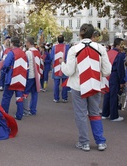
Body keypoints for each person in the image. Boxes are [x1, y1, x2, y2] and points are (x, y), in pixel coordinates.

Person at [60, 23, 111, 151]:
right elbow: (107, 71)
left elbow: (68, 71)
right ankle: (100, 142)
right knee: (95, 113)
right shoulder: (101, 48)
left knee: (81, 114)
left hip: (78, 86)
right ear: (93, 34)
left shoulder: (74, 49)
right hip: (94, 85)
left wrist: (62, 64)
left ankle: (84, 142)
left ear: (80, 34)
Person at [1, 36, 28, 120]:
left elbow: (6, 65)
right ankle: (19, 115)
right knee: (19, 97)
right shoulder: (23, 53)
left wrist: (4, 72)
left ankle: (4, 115)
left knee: (6, 97)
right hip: (21, 78)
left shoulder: (11, 53)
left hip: (11, 78)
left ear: (12, 43)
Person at [102, 38, 126, 121]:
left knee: (107, 94)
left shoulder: (108, 52)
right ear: (118, 45)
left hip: (107, 75)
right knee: (114, 96)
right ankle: (114, 116)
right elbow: (120, 69)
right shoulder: (119, 55)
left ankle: (105, 113)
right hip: (114, 75)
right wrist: (122, 81)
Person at [23, 36, 41, 116]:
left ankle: (25, 110)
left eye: (26, 42)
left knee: (25, 92)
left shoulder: (28, 52)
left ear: (29, 43)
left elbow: (25, 64)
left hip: (30, 75)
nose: (25, 44)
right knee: (34, 93)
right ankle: (33, 110)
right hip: (36, 75)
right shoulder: (37, 51)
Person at [50, 35, 70, 103]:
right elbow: (69, 57)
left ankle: (56, 98)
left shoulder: (54, 47)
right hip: (64, 66)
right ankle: (64, 98)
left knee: (56, 84)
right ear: (63, 40)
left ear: (57, 40)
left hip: (56, 67)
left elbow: (51, 57)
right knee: (64, 84)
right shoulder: (67, 47)